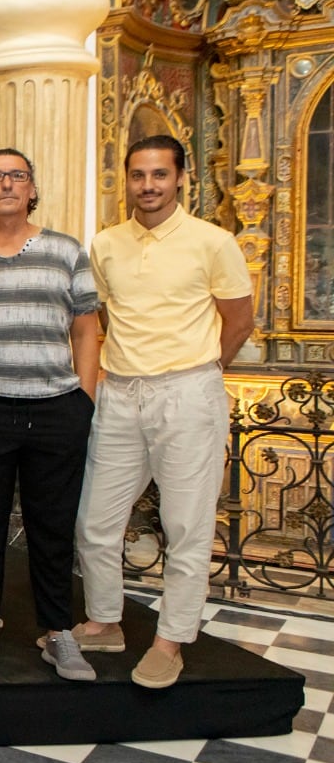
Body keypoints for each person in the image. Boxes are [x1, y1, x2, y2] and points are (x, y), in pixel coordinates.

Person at [71, 135, 253, 689]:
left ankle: (171, 640)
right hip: (121, 392)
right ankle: (105, 620)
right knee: (96, 521)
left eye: (159, 175)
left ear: (180, 178)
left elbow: (239, 321)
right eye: (138, 175)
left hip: (187, 393)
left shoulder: (213, 242)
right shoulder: (105, 244)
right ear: (125, 179)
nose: (148, 186)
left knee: (185, 526)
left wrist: (198, 371)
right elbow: (100, 320)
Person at [0, 149, 100, 681]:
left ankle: (59, 633)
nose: (6, 184)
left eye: (17, 176)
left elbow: (85, 326)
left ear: (32, 189)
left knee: (52, 528)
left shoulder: (65, 251)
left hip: (57, 408)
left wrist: (85, 398)